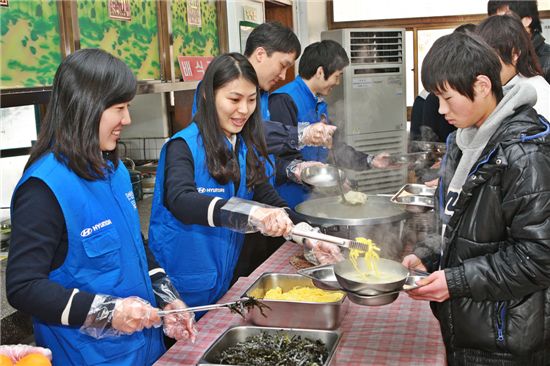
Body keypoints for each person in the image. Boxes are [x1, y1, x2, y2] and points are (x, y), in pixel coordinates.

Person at [6, 49, 196, 366]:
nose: (127, 119)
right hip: (91, 357)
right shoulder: (43, 188)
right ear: (85, 107)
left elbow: (135, 247)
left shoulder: (115, 171)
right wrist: (108, 312)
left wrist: (167, 298)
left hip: (144, 350)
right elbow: (24, 287)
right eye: (119, 108)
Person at [148, 53, 342, 312]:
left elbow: (264, 192)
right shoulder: (181, 146)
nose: (243, 110)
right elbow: (181, 200)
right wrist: (251, 212)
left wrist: (307, 234)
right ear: (208, 95)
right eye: (234, 99)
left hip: (223, 278)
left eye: (251, 100)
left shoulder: (242, 144)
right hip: (182, 288)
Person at [402, 31, 550, 364]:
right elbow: (453, 220)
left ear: (482, 85)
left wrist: (456, 281)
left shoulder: (524, 154)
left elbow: (540, 256)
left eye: (447, 98)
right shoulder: (460, 143)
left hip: (506, 339)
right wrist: (428, 254)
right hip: (467, 326)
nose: (440, 110)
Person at [268, 40, 389, 208]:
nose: (337, 82)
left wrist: (370, 160)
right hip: (290, 201)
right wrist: (325, 181)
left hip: (314, 200)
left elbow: (335, 149)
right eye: (337, 76)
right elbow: (277, 159)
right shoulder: (284, 99)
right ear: (320, 72)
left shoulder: (319, 103)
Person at [191, 22, 337, 158]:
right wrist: (300, 134)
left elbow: (264, 150)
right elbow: (251, 132)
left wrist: (292, 169)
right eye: (282, 65)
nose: (283, 75)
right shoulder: (217, 84)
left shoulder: (263, 91)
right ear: (260, 54)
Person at [477, 14, 550, 118]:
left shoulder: (538, 92)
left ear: (515, 54)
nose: (484, 65)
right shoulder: (499, 86)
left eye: (490, 57)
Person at [487, 0, 550, 83]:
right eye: (495, 21)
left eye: (505, 19)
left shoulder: (547, 59)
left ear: (527, 20)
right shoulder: (492, 57)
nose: (499, 27)